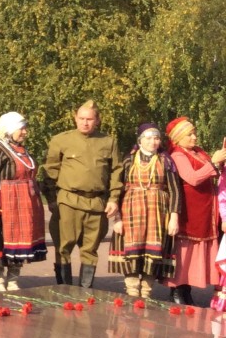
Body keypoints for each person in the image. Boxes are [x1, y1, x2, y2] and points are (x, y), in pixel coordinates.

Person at [42, 100, 122, 288]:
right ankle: (64, 289)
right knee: (63, 247)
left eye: (89, 119)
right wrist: (52, 200)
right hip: (68, 201)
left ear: (97, 120)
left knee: (90, 249)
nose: (85, 123)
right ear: (75, 119)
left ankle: (85, 291)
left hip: (96, 203)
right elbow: (50, 171)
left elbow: (116, 171)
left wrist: (113, 199)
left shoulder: (108, 142)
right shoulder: (61, 140)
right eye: (81, 118)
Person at [107, 124, 182, 298]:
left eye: (156, 138)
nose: (153, 142)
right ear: (140, 140)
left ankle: (147, 292)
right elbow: (118, 189)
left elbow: (175, 190)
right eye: (148, 138)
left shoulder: (166, 161)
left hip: (158, 213)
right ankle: (132, 292)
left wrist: (174, 217)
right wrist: (117, 218)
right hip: (131, 211)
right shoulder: (129, 160)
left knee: (153, 252)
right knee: (132, 252)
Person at [0, 112, 46, 291]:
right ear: (10, 129)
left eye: (25, 128)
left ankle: (13, 280)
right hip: (4, 205)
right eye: (21, 128)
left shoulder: (21, 150)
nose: (25, 132)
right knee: (0, 241)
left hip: (23, 205)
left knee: (21, 240)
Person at [162, 117, 226, 304]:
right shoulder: (177, 155)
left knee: (192, 255)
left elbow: (212, 173)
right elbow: (193, 178)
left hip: (204, 211)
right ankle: (177, 291)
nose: (194, 137)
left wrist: (220, 162)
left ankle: (186, 290)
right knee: (184, 253)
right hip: (189, 212)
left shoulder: (198, 152)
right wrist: (213, 162)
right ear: (178, 137)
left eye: (194, 133)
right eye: (189, 134)